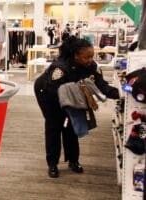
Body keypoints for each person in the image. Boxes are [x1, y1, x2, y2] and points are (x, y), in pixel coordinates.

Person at [34, 36, 119, 178]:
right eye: (87, 57)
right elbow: (53, 90)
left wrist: (121, 94)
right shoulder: (61, 68)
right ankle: (52, 164)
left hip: (70, 95)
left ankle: (73, 161)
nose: (91, 59)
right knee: (54, 127)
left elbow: (102, 86)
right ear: (76, 56)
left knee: (71, 127)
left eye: (92, 56)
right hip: (47, 93)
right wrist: (69, 109)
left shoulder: (91, 67)